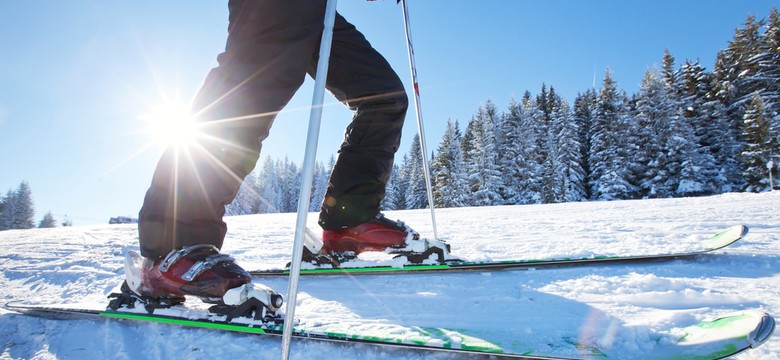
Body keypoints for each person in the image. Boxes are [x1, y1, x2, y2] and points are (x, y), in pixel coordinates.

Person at [127, 0, 440, 304]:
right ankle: (170, 250)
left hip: (318, 9)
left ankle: (350, 221)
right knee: (248, 95)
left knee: (383, 97)